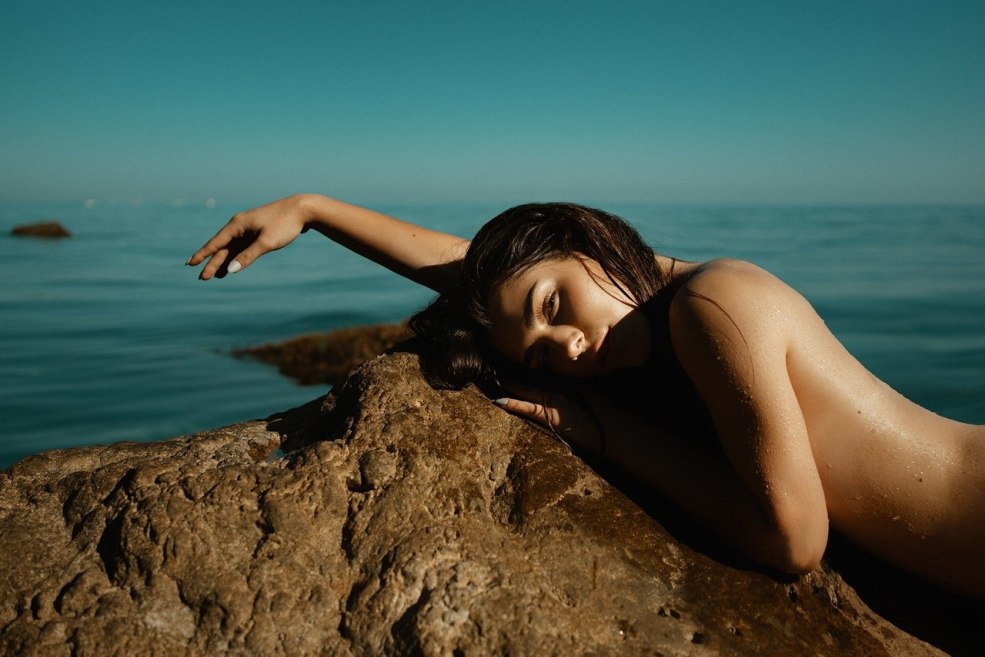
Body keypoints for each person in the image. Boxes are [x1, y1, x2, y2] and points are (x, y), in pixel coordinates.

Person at [188, 193, 985, 600]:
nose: (570, 346)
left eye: (554, 307)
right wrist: (314, 210)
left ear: (586, 238)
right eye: (543, 354)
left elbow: (793, 541)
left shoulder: (714, 308)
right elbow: (493, 273)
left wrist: (598, 431)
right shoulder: (652, 300)